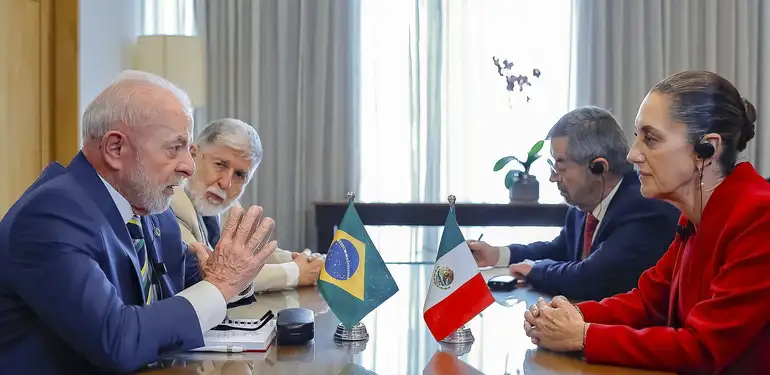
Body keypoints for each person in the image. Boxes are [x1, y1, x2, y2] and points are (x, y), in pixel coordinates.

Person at [0, 70, 278, 374]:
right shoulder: (51, 216)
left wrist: (220, 275)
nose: (188, 166)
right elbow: (119, 340)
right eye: (175, 148)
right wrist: (219, 285)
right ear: (116, 149)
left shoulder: (150, 208)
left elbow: (195, 284)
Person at [523, 70, 770, 374]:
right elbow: (646, 302)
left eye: (650, 139)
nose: (631, 154)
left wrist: (584, 335)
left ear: (707, 149)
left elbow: (704, 348)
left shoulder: (760, 216)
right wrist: (566, 315)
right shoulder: (695, 216)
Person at [469, 107, 680, 301]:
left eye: (560, 166)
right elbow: (560, 249)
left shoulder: (645, 207)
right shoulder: (583, 206)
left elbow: (590, 278)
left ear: (598, 167)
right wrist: (498, 254)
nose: (553, 178)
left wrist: (534, 270)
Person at [171, 118, 324, 294]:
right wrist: (295, 272)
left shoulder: (225, 207)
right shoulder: (172, 204)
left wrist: (305, 261)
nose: (226, 183)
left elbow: (249, 254)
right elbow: (213, 275)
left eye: (240, 175)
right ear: (192, 154)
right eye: (220, 165)